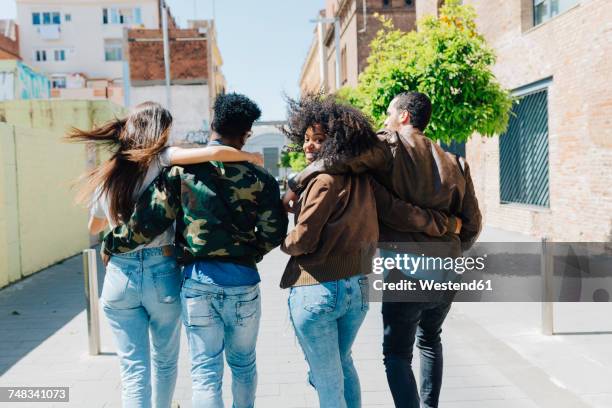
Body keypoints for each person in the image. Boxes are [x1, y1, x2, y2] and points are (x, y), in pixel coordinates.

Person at [284, 92, 482, 408]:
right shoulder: (457, 163)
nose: (385, 120)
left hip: (407, 269)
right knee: (430, 340)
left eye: (389, 113)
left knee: (397, 355)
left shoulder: (387, 145)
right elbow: (471, 227)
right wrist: (448, 245)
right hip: (448, 272)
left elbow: (338, 160)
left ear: (403, 116)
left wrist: (297, 181)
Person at [67, 101, 264, 408]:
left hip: (118, 278)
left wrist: (112, 233)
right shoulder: (162, 159)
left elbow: (94, 226)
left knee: (133, 369)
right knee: (164, 361)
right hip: (162, 273)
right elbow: (213, 152)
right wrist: (250, 157)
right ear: (159, 131)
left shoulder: (109, 172)